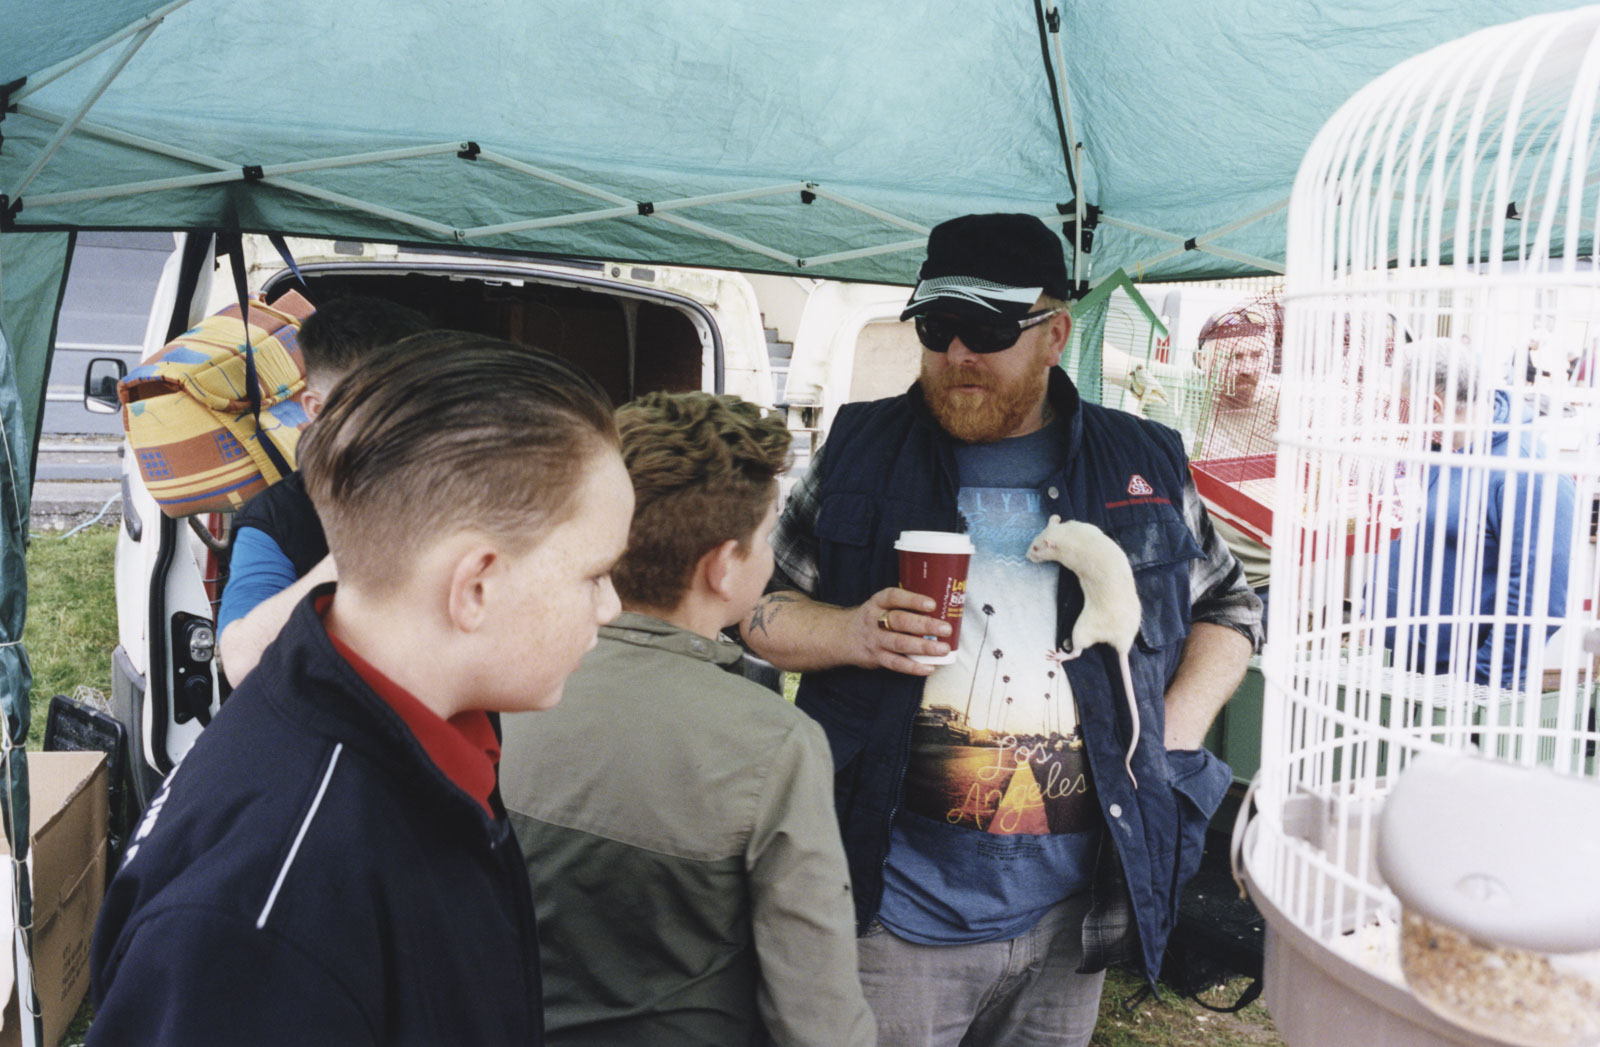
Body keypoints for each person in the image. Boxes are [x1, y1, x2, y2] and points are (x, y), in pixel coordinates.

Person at [740, 213, 1262, 1046]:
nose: (956, 355)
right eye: (938, 327)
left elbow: (1230, 609)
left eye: (985, 329)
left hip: (1073, 917)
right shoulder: (860, 447)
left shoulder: (1145, 461)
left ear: (1054, 334)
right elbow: (756, 611)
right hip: (893, 913)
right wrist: (850, 632)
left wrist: (1169, 738)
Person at [89, 332, 632, 1045]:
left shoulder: (410, 728)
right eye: (595, 573)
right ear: (475, 587)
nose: (613, 604)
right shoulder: (266, 924)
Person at [500, 391, 876, 1047]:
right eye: (768, 534)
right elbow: (818, 1016)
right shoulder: (775, 744)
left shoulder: (501, 684)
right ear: (723, 565)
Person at [216, 295, 430, 684]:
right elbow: (243, 664)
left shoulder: (464, 489)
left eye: (416, 400)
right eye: (374, 404)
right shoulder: (277, 517)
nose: (402, 421)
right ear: (316, 410)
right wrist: (367, 549)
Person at [1386, 337, 1576, 690]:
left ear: (1432, 406)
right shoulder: (1434, 449)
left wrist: (1478, 687)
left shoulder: (1529, 472)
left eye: (1399, 405)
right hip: (1402, 671)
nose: (1393, 416)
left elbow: (1537, 605)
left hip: (1460, 690)